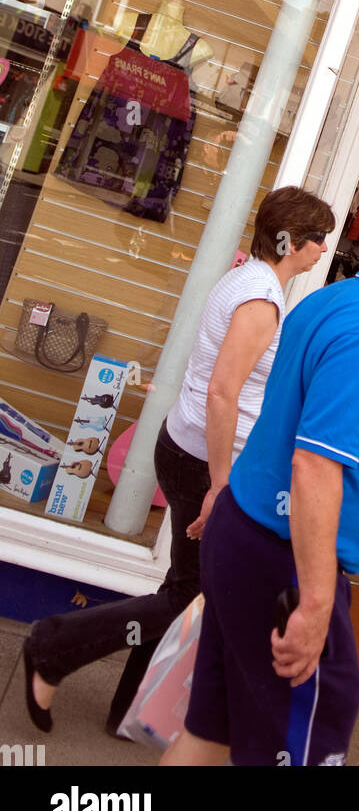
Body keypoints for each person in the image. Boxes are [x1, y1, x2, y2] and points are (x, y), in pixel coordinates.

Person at [161, 185, 359, 767]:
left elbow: (280, 428)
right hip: (282, 560)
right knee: (306, 742)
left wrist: (226, 493)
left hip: (250, 535)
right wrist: (315, 603)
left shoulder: (329, 301)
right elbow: (313, 463)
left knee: (210, 734)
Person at [23, 185, 335, 737]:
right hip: (202, 462)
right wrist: (220, 485)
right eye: (318, 239)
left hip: (188, 448)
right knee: (188, 595)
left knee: (184, 590)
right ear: (291, 242)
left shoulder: (247, 280)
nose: (322, 250)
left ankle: (131, 714)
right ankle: (52, 647)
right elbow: (223, 391)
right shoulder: (261, 299)